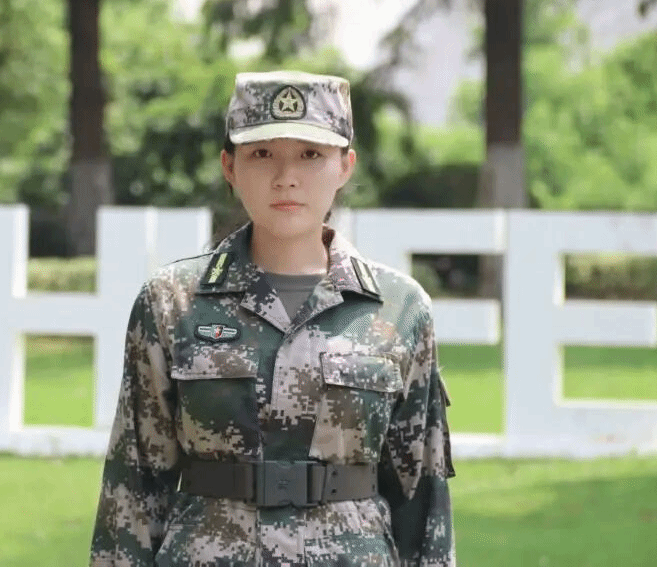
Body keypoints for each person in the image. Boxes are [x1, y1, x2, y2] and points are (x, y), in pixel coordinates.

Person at [89, 70, 456, 567]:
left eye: (311, 154)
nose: (286, 176)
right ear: (230, 166)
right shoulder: (172, 301)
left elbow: (422, 494)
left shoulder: (399, 308)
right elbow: (133, 484)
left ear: (345, 166)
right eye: (262, 153)